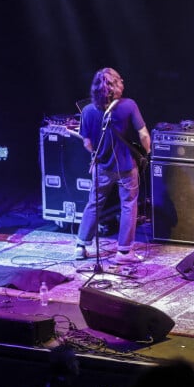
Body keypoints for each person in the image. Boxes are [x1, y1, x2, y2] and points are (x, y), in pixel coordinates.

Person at [74, 67, 151, 263]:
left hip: (102, 167)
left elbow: (87, 143)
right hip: (126, 167)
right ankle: (124, 252)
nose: (123, 81)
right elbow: (143, 134)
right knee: (128, 205)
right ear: (115, 86)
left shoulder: (88, 110)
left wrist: (97, 153)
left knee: (94, 204)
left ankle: (81, 247)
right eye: (119, 80)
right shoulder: (129, 106)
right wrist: (148, 152)